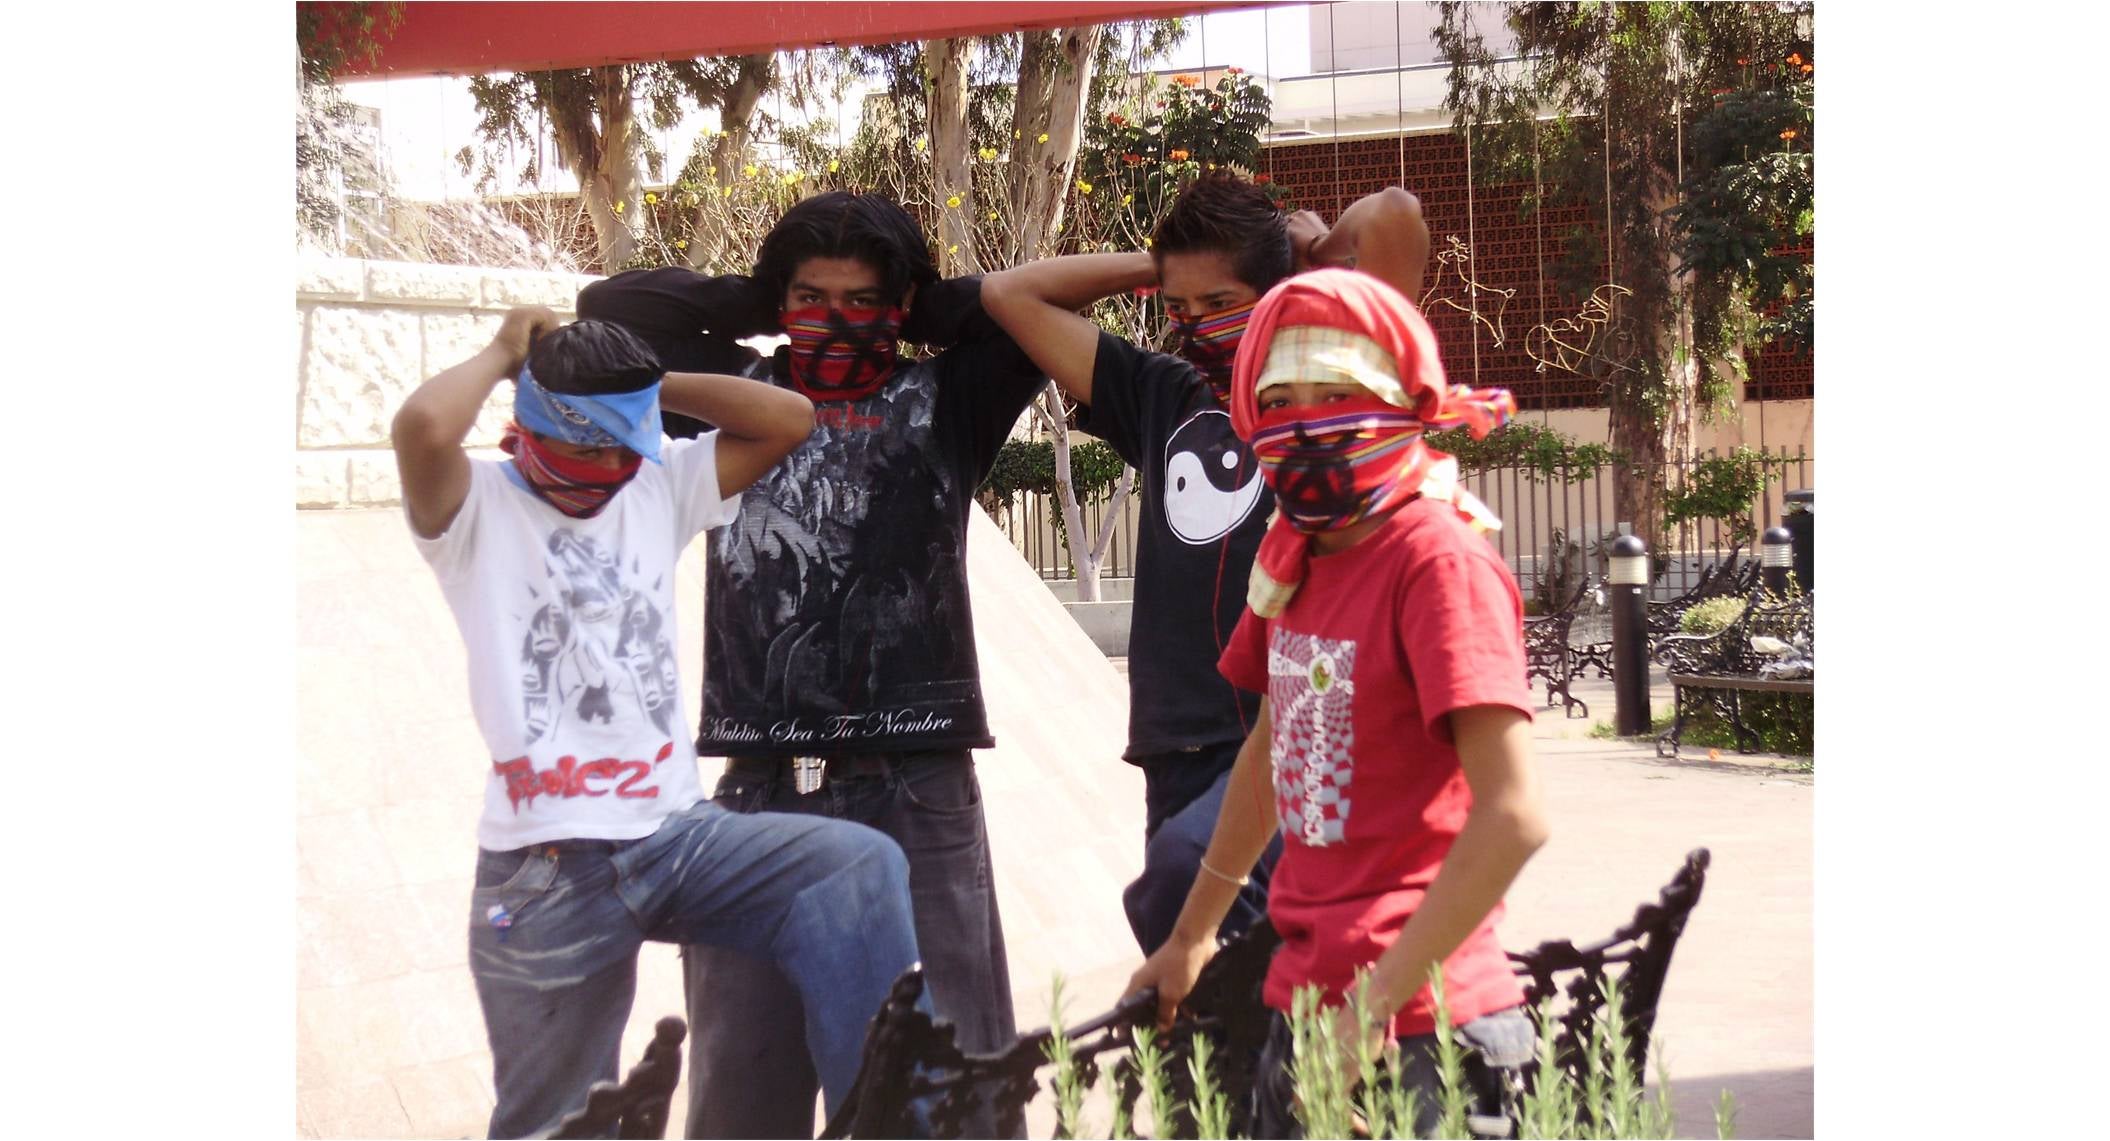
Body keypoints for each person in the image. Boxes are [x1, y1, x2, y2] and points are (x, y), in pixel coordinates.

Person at [578, 191, 1079, 1139]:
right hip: (756, 797)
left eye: (864, 300)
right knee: (739, 1100)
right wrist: (760, 301)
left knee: (944, 1094)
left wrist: (932, 304)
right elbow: (609, 311)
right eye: (811, 298)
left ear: (900, 309)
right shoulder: (739, 398)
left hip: (914, 791)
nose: (835, 321)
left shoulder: (948, 398)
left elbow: (1039, 304)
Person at [391, 308, 922, 1139]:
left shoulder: (656, 483)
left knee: (856, 868)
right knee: (558, 1126)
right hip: (546, 872)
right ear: (528, 427)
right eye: (586, 444)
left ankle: (886, 1121)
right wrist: (506, 354)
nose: (608, 465)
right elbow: (423, 425)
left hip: (677, 837)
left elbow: (788, 417)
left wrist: (636, 391)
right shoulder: (473, 510)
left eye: (621, 443)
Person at [1122, 269, 1551, 1138]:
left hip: (1428, 1030)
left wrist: (1372, 1009)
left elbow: (1513, 816)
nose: (1309, 423)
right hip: (1309, 1006)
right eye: (1280, 400)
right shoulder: (1300, 558)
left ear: (1403, 401)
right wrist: (1193, 934)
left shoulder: (1437, 563)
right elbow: (1271, 758)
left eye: (1340, 393)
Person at [978, 173, 1433, 956]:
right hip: (1180, 739)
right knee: (1206, 975)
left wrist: (1314, 250)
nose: (1195, 326)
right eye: (1178, 308)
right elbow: (1013, 297)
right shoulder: (1164, 393)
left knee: (1239, 915)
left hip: (1307, 722)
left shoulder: (1338, 380)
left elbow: (1395, 215)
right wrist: (1158, 265)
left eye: (1219, 305)